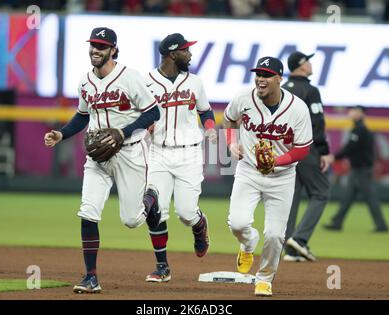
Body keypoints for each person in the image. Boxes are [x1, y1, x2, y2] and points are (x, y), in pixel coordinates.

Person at [44, 27, 162, 294]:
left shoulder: (130, 78)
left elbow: (153, 112)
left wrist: (123, 132)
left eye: (101, 46)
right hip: (97, 156)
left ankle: (151, 198)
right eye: (92, 45)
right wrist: (61, 134)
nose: (95, 50)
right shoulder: (85, 81)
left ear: (113, 50)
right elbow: (82, 116)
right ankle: (91, 277)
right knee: (88, 211)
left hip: (130, 151)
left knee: (132, 220)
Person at [223, 56, 313, 296]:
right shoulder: (244, 98)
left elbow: (302, 148)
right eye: (258, 75)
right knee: (238, 224)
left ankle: (264, 278)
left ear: (279, 79)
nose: (260, 79)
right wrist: (231, 143)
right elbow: (229, 119)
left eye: (266, 75)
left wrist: (277, 161)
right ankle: (248, 243)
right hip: (248, 171)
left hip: (282, 178)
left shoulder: (298, 108)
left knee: (275, 235)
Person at [144, 33, 217, 282]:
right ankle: (162, 267)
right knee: (154, 210)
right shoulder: (147, 82)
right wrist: (145, 127)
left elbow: (205, 111)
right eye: (186, 50)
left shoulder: (195, 82)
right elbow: (140, 116)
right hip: (158, 153)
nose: (190, 54)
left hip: (189, 153)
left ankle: (199, 226)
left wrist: (209, 127)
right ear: (173, 54)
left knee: (186, 213)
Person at [281, 51, 334, 262]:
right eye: (308, 61)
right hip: (306, 148)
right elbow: (317, 123)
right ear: (301, 66)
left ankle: (290, 248)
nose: (311, 64)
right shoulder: (310, 90)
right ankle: (300, 240)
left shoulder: (282, 90)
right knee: (321, 192)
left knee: (291, 198)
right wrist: (325, 151)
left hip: (283, 150)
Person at [324, 106, 389, 233]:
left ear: (360, 114)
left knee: (370, 198)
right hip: (358, 169)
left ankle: (382, 225)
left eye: (354, 111)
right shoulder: (359, 128)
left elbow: (350, 147)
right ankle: (337, 222)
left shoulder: (360, 129)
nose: (351, 113)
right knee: (348, 198)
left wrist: (335, 157)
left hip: (362, 170)